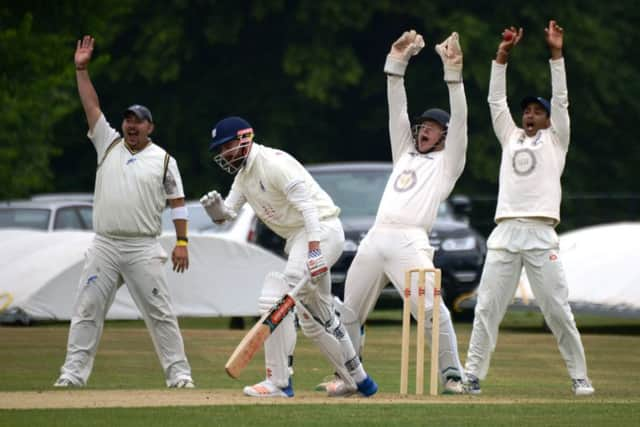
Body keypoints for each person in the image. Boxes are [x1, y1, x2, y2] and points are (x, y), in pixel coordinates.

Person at [322, 29, 469, 394]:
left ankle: (453, 375)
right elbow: (395, 108)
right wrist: (396, 64)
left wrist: (453, 73)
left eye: (433, 129)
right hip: (376, 236)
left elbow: (462, 120)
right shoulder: (404, 152)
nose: (424, 132)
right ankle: (350, 377)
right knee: (348, 311)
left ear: (445, 136)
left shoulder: (447, 165)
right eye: (423, 127)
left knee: (432, 309)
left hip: (410, 239)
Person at [201, 116, 378, 398]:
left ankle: (279, 382)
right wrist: (218, 213)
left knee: (276, 293)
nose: (223, 154)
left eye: (227, 146)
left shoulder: (273, 164)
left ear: (245, 138)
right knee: (317, 318)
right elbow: (229, 213)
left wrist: (316, 249)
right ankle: (358, 379)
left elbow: (308, 207)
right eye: (220, 150)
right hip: (301, 239)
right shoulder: (244, 177)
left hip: (320, 230)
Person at [54, 36, 194, 388]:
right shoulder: (109, 143)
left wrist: (182, 243)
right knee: (87, 310)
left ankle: (179, 376)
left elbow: (178, 203)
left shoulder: (163, 160)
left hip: (143, 247)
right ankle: (72, 376)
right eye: (128, 119)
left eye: (139, 121)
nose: (131, 125)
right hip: (105, 245)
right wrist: (81, 69)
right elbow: (91, 106)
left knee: (160, 314)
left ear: (150, 127)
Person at [463, 21, 594, 396]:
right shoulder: (510, 137)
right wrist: (502, 56)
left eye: (538, 111)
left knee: (557, 311)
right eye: (528, 111)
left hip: (540, 233)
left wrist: (556, 53)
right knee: (487, 308)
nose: (530, 115)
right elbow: (494, 102)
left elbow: (562, 97)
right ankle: (473, 375)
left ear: (551, 119)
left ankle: (579, 376)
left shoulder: (557, 140)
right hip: (504, 232)